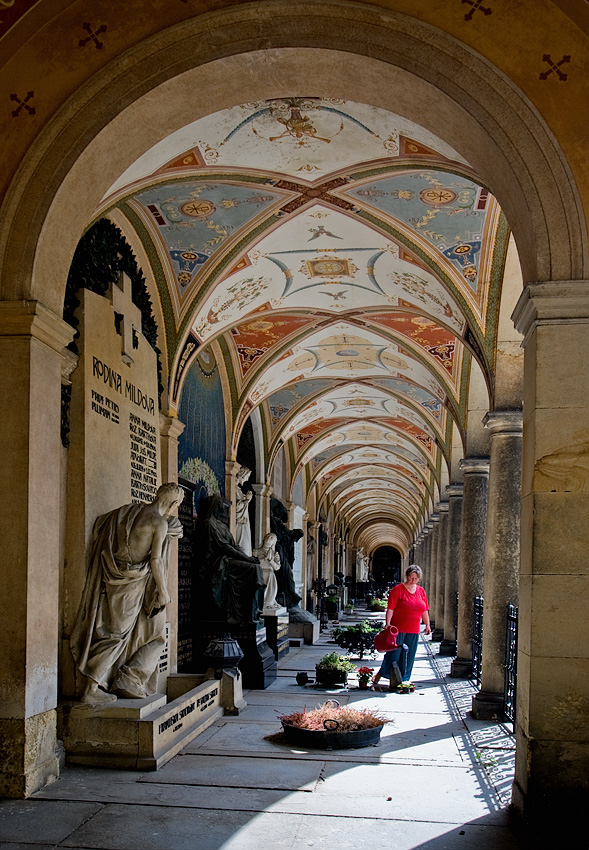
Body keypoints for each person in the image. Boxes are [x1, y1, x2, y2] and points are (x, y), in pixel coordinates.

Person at [71, 483, 184, 704]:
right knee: (117, 634)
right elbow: (155, 560)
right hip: (132, 586)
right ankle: (91, 688)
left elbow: (104, 524)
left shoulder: (130, 512)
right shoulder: (158, 522)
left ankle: (126, 679)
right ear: (174, 504)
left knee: (128, 632)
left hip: (116, 578)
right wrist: (163, 591)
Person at [195, 493, 265, 625]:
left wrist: (248, 558)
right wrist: (248, 560)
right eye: (221, 505)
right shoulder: (209, 523)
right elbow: (225, 548)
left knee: (256, 568)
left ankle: (254, 611)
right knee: (253, 569)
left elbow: (234, 546)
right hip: (217, 563)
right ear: (216, 507)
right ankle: (245, 614)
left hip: (227, 559)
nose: (224, 509)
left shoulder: (221, 525)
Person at [372, 564, 431, 692]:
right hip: (397, 629)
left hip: (414, 629)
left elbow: (424, 609)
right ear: (407, 576)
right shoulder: (397, 590)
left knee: (409, 656)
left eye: (415, 578)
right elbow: (391, 608)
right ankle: (382, 674)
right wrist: (387, 624)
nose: (412, 581)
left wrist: (427, 624)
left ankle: (404, 680)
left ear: (419, 579)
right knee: (394, 655)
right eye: (411, 577)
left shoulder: (421, 591)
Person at [235, 465, 253, 556]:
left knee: (245, 549)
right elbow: (235, 508)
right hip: (239, 524)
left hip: (244, 523)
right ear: (242, 474)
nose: (247, 479)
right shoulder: (234, 489)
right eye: (247, 477)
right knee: (243, 549)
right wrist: (246, 500)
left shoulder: (238, 490)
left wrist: (246, 500)